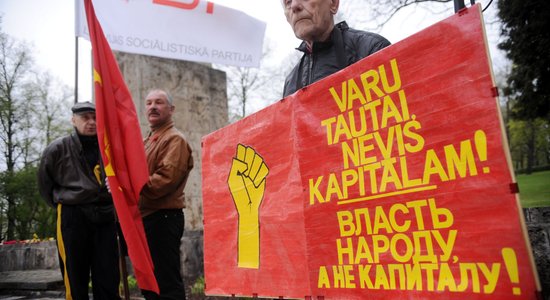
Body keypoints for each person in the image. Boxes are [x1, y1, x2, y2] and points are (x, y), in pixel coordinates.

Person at [37, 101, 121, 300]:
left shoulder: (109, 148)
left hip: (105, 215)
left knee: (108, 276)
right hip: (73, 216)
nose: (91, 122)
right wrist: (64, 204)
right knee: (75, 276)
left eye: (95, 118)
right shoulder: (56, 149)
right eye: (85, 118)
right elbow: (45, 185)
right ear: (73, 120)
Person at [140, 89, 194, 300]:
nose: (152, 106)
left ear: (171, 110)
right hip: (148, 217)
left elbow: (163, 181)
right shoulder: (150, 140)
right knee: (150, 282)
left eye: (159, 102)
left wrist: (130, 186)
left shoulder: (174, 140)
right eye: (149, 102)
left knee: (165, 283)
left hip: (162, 219)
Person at [282, 0, 391, 97]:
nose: (294, 6)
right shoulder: (290, 83)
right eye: (288, 2)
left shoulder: (373, 49)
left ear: (333, 3)